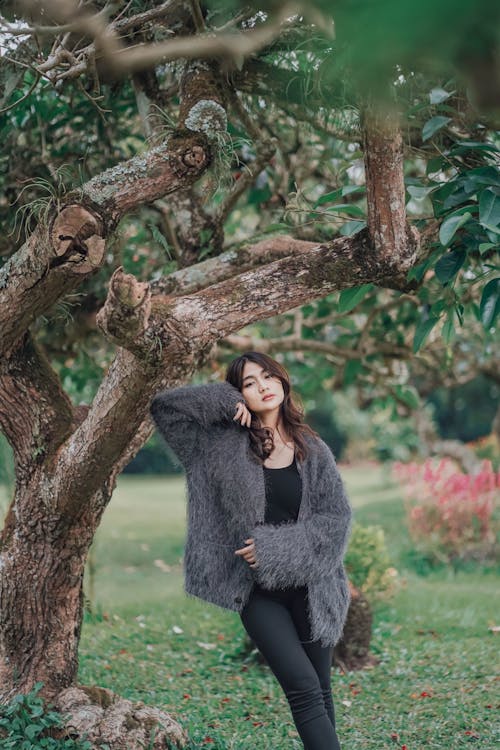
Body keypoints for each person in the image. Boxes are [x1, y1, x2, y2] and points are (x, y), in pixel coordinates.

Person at [149, 351, 353, 750]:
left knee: (321, 691)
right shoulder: (215, 445)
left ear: (282, 381)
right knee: (304, 687)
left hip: (314, 588)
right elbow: (165, 408)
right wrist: (225, 402)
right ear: (240, 393)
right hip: (257, 593)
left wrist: (273, 550)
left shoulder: (313, 449)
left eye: (268, 376)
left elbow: (335, 521)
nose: (263, 386)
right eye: (249, 383)